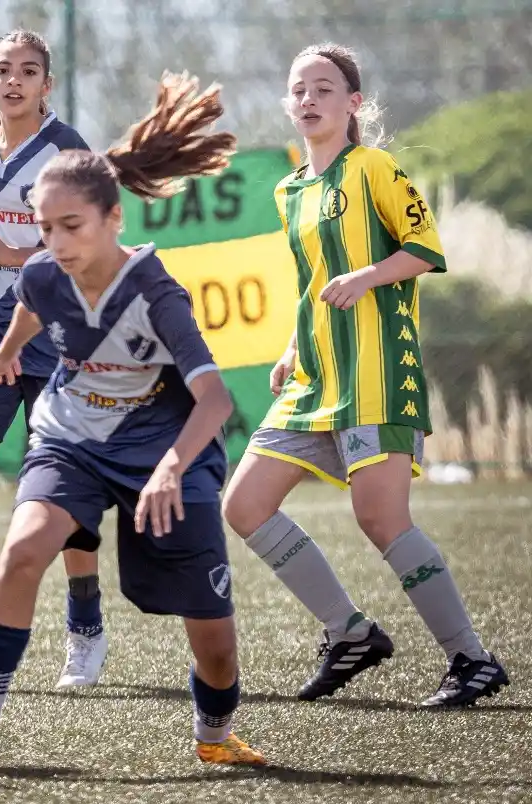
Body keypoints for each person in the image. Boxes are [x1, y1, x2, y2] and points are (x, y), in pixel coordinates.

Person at [0, 72, 266, 772]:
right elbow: (31, 304)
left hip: (162, 452)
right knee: (24, 550)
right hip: (71, 440)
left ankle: (215, 733)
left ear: (113, 220)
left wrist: (173, 468)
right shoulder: (41, 273)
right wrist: (5, 353)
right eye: (46, 227)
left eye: (72, 227)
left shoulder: (156, 291)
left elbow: (213, 400)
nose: (56, 243)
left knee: (214, 639)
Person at [221, 42, 509, 707]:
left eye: (323, 88)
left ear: (353, 103)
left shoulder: (373, 167)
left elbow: (425, 248)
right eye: (297, 89)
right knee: (244, 505)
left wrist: (368, 276)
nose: (308, 99)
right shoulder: (289, 188)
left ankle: (472, 660)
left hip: (376, 372)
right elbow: (312, 281)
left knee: (380, 518)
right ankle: (349, 633)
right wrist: (294, 345)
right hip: (314, 379)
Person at [0, 29, 107, 692]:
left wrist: (18, 258)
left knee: (65, 487)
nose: (13, 81)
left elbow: (89, 242)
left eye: (27, 71)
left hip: (56, 333)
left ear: (46, 85)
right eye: (3, 70)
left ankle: (85, 629)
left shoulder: (68, 149)